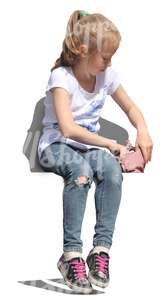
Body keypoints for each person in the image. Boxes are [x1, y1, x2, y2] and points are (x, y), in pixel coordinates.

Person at [38, 10, 153, 293]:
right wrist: (110, 143)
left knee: (112, 171)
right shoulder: (61, 78)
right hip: (55, 145)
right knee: (80, 172)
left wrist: (142, 129)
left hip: (86, 146)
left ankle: (100, 251)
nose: (109, 63)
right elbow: (67, 128)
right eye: (105, 57)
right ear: (82, 50)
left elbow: (131, 107)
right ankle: (71, 256)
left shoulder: (106, 75)